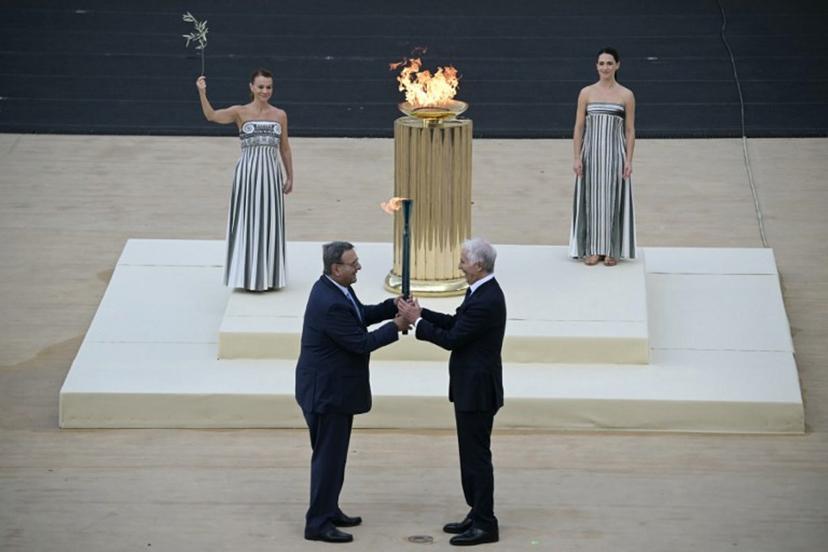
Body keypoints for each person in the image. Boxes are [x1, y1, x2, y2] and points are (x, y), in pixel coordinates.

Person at [295, 241, 409, 543]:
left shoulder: (337, 290)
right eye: (353, 263)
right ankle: (317, 523)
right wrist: (397, 325)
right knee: (328, 459)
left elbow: (360, 315)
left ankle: (329, 508)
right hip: (327, 394)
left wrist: (391, 307)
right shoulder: (329, 301)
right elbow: (360, 343)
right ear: (336, 268)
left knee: (334, 458)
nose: (358, 267)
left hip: (334, 391)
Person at [398, 238, 505, 546]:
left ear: (479, 265)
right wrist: (423, 312)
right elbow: (456, 322)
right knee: (470, 456)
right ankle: (477, 511)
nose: (460, 266)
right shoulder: (480, 292)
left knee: (477, 458)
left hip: (477, 391)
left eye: (463, 261)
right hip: (470, 388)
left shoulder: (486, 299)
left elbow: (454, 337)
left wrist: (417, 322)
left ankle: (485, 523)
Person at [196, 69, 294, 290]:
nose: (265, 91)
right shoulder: (240, 112)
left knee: (270, 222)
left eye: (268, 86)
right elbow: (211, 116)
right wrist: (202, 92)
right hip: (247, 174)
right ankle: (245, 275)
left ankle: (269, 276)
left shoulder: (280, 115)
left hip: (270, 174)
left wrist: (290, 176)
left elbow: (285, 149)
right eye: (260, 87)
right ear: (251, 87)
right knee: (247, 220)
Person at [569, 47, 636, 266]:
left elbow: (629, 130)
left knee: (612, 201)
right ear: (596, 66)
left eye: (609, 63)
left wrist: (628, 159)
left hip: (615, 154)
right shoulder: (586, 93)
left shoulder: (626, 95)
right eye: (601, 63)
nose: (605, 67)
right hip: (591, 155)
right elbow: (579, 127)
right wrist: (577, 157)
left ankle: (611, 250)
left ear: (617, 65)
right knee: (591, 200)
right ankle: (592, 249)